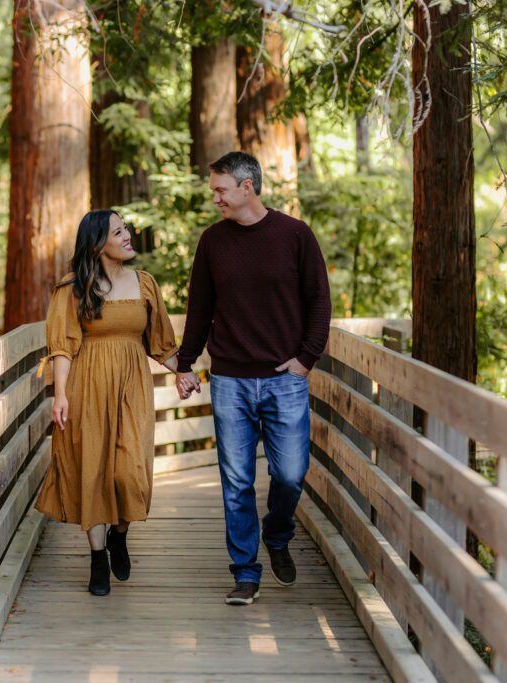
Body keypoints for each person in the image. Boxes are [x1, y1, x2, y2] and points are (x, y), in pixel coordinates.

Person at [175, 151, 332, 605]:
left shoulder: (295, 235)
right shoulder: (212, 242)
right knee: (237, 482)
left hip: (285, 378)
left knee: (289, 474)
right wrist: (186, 364)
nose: (216, 198)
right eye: (214, 191)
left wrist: (305, 360)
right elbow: (200, 308)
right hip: (229, 380)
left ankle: (277, 535)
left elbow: (319, 303)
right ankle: (246, 571)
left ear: (248, 187)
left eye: (221, 190)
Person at [34, 209, 184, 596]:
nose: (128, 235)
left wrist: (183, 372)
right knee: (94, 471)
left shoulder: (144, 284)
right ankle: (98, 558)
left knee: (130, 472)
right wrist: (61, 394)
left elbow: (161, 343)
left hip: (132, 386)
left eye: (126, 229)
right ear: (99, 243)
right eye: (118, 232)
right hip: (87, 386)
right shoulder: (74, 287)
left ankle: (120, 534)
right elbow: (63, 345)